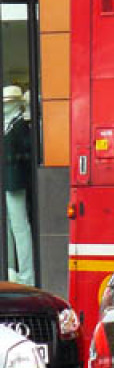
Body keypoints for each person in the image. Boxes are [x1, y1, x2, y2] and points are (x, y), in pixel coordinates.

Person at [2, 85, 33, 286]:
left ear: (15, 104)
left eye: (8, 103)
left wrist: (11, 157)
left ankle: (27, 274)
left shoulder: (21, 125)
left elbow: (28, 152)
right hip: (7, 181)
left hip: (16, 181)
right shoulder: (7, 124)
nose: (5, 107)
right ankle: (12, 269)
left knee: (20, 229)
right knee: (9, 228)